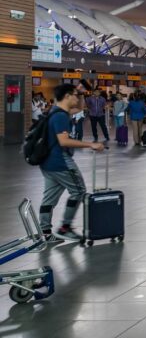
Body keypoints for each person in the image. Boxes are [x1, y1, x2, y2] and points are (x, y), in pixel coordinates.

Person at [38, 84, 106, 242]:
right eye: (75, 95)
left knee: (49, 198)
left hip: (47, 163)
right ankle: (65, 228)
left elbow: (80, 108)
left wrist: (81, 93)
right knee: (79, 191)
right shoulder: (61, 116)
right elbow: (63, 141)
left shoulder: (55, 111)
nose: (77, 98)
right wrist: (91, 144)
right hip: (61, 162)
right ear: (67, 96)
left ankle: (46, 232)